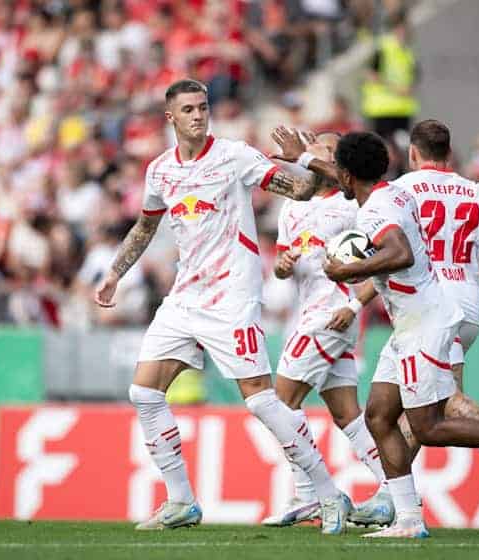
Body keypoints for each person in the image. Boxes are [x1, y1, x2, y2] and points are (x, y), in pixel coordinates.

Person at [281, 129, 479, 538]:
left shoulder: (378, 209)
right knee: (379, 416)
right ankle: (408, 519)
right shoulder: (391, 193)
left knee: (429, 426)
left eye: (339, 173)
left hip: (424, 323)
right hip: (420, 318)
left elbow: (401, 253)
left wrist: (345, 270)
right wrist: (307, 159)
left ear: (346, 177)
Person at [94, 79, 352, 533]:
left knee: (261, 401)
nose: (198, 115)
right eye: (189, 109)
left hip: (232, 296)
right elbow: (144, 228)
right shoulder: (160, 171)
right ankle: (181, 501)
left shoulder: (235, 156)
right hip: (185, 296)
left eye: (203, 107)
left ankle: (328, 495)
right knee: (144, 392)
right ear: (170, 117)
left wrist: (303, 162)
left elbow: (301, 191)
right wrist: (116, 272)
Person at [388, 120, 479, 517]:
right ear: (449, 155)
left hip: (432, 303)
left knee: (443, 402)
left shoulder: (402, 190)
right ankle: (392, 495)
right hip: (469, 301)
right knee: (417, 406)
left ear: (413, 154)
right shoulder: (477, 190)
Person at [261, 131, 393, 529]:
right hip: (307, 315)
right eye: (318, 145)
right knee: (348, 415)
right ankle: (396, 489)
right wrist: (282, 267)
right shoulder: (292, 209)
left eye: (327, 149)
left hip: (333, 316)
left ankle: (311, 495)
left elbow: (387, 262)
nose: (318, 151)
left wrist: (355, 306)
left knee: (279, 403)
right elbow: (289, 266)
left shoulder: (353, 207)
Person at [361, 11, 418, 142]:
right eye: (403, 27)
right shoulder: (383, 48)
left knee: (403, 147)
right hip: (382, 109)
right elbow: (371, 75)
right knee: (383, 148)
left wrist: (409, 89)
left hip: (403, 109)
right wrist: (395, 88)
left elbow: (412, 78)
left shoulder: (407, 52)